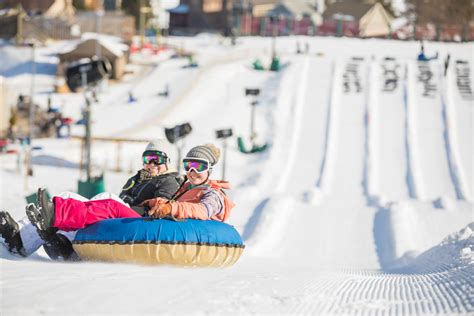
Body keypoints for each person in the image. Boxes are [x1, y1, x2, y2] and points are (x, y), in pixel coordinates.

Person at [0, 140, 182, 260]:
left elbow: (159, 208)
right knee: (66, 196)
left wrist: (136, 209)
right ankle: (21, 240)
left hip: (140, 222)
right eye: (147, 159)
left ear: (168, 161)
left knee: (107, 198)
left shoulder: (169, 181)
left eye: (156, 159)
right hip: (123, 217)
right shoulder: (138, 178)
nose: (150, 164)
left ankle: (61, 230)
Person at [25, 144, 235, 236]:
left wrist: (171, 208)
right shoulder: (186, 186)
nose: (192, 171)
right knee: (103, 205)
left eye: (198, 166)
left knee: (110, 205)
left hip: (165, 229)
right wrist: (154, 203)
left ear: (209, 169)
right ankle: (50, 222)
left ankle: (56, 215)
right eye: (188, 165)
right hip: (160, 224)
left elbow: (201, 211)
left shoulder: (213, 193)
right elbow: (169, 204)